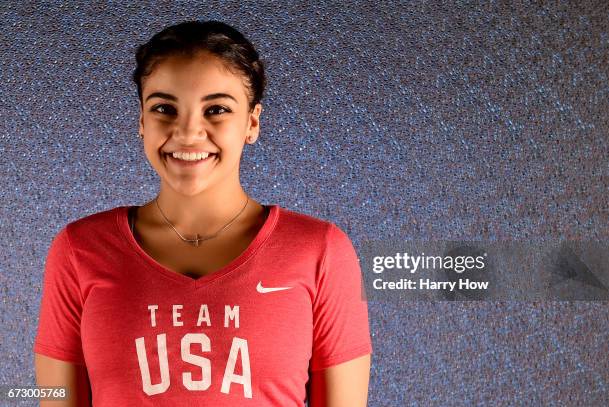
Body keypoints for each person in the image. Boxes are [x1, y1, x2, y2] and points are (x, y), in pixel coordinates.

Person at [33, 20, 372, 406]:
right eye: (164, 108)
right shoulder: (79, 249)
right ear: (142, 122)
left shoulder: (321, 251)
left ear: (252, 122)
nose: (188, 132)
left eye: (216, 109)